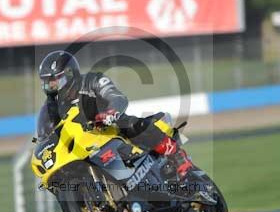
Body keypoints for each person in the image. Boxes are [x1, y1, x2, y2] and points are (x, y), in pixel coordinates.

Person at [36, 50, 193, 179]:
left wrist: (111, 112)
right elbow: (48, 129)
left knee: (130, 124)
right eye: (46, 82)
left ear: (70, 74)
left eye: (54, 81)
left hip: (110, 127)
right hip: (86, 142)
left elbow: (117, 97)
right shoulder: (53, 106)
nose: (50, 86)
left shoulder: (93, 80)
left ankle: (177, 155)